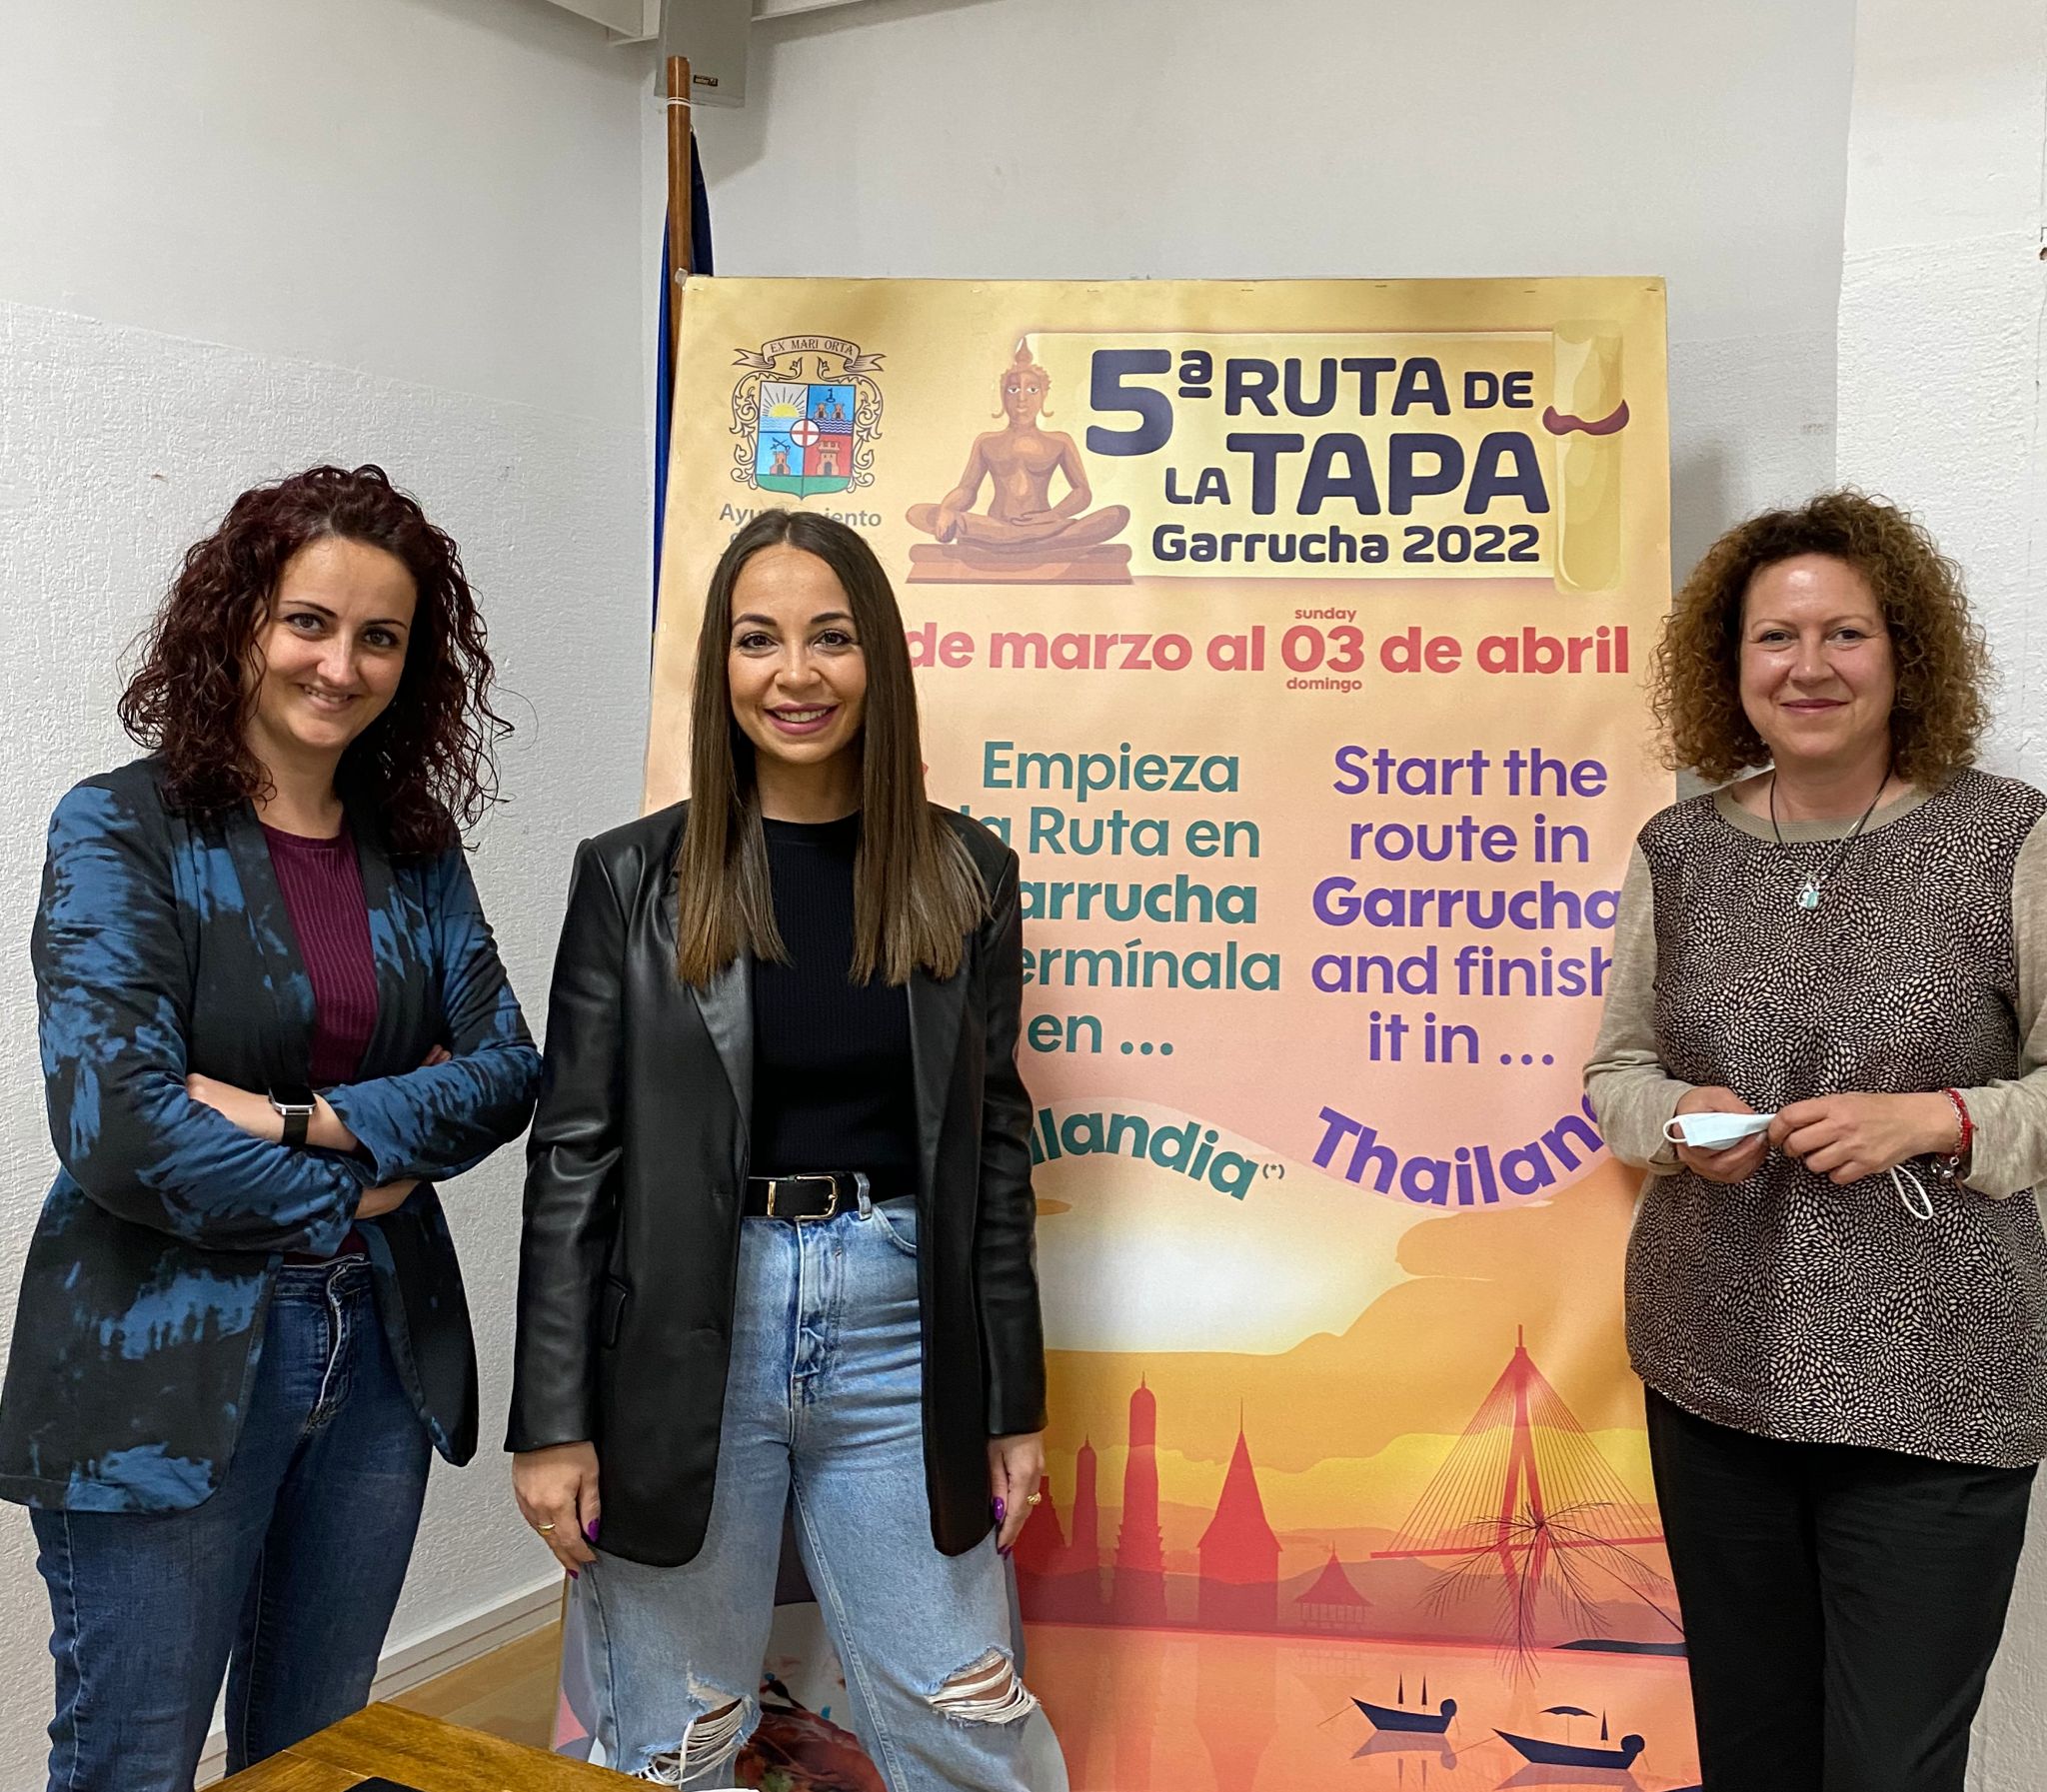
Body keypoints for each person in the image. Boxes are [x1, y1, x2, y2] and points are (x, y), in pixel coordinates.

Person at [1, 464, 543, 1790]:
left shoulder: (416, 852)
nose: (341, 662)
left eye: (380, 635)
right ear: (240, 619)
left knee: (315, 1749)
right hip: (158, 1363)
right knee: (133, 1756)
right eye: (310, 620)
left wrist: (291, 1115)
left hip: (376, 1366)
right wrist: (356, 1182)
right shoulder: (120, 830)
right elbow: (121, 1130)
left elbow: (504, 1073)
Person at [510, 509, 1067, 1790]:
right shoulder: (629, 879)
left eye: (831, 637)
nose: (794, 673)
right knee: (679, 1737)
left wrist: (1009, 1400)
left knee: (967, 1724)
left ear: (879, 656)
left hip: (897, 1331)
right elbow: (573, 1156)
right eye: (758, 640)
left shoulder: (964, 871)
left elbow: (990, 1144)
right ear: (721, 667)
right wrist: (552, 1421)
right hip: (685, 1335)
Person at [1585, 490, 2047, 1792]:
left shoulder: (2008, 836)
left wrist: (1943, 1118)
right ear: (1731, 670)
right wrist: (1675, 1123)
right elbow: (1615, 1073)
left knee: (1889, 1770)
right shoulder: (1676, 848)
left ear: (1904, 652)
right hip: (1714, 1368)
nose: (1808, 666)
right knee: (1752, 1754)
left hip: (1936, 1390)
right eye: (1774, 639)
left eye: (1843, 634)